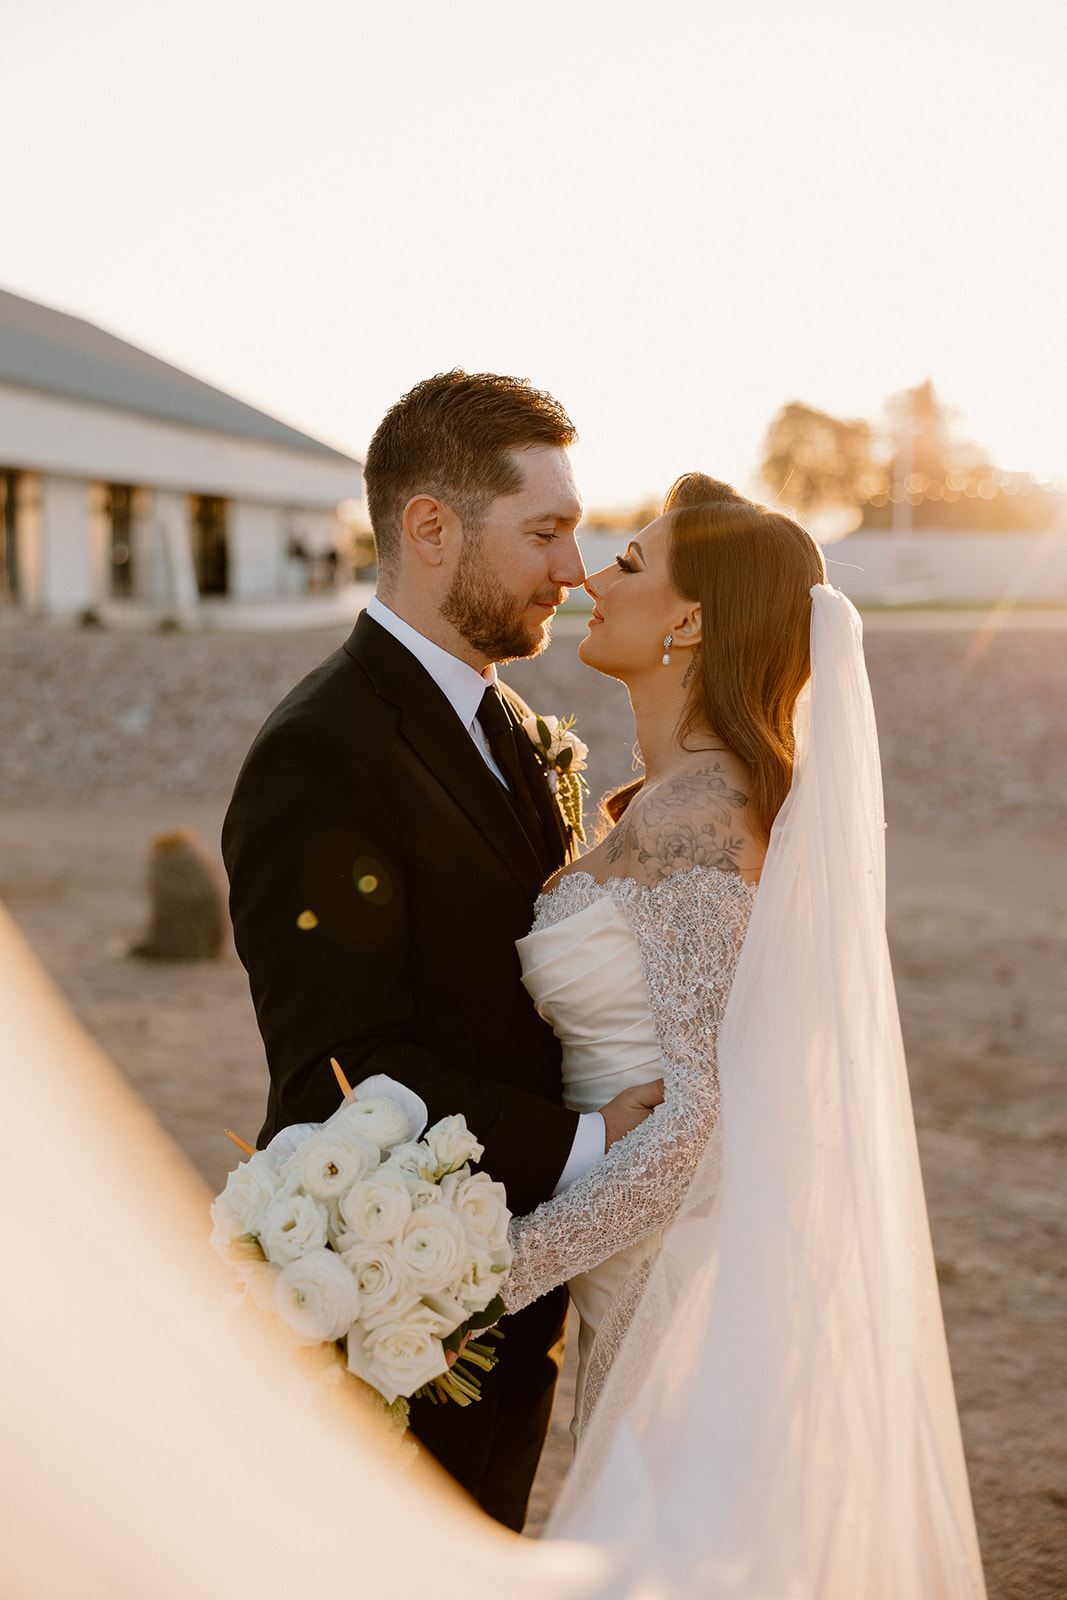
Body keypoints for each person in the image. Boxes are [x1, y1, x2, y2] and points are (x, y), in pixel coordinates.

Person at [494, 475, 987, 1596]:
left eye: (625, 563)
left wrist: (502, 1268)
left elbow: (699, 1121)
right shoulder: (664, 800)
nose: (586, 576)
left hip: (677, 1278)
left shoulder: (701, 820)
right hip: (637, 1262)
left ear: (692, 619)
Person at [221, 370, 663, 1531]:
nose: (572, 570)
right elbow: (339, 1060)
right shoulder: (320, 751)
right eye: (544, 531)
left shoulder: (512, 726)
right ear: (429, 528)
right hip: (402, 1318)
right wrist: (587, 1143)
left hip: (519, 1298)